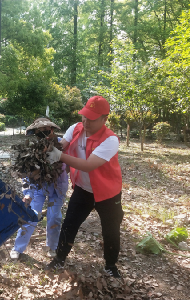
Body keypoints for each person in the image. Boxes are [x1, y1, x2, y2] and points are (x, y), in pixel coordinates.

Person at [45, 96, 124, 278]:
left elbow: (88, 165)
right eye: (85, 116)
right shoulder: (76, 129)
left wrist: (59, 156)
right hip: (83, 189)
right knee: (69, 224)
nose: (86, 121)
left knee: (111, 230)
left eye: (92, 118)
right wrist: (49, 144)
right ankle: (59, 259)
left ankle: (110, 266)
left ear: (104, 119)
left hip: (107, 193)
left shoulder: (110, 140)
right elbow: (61, 146)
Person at [10, 118, 69, 260]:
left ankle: (52, 247)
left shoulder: (62, 144)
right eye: (40, 132)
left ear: (52, 130)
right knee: (31, 214)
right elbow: (26, 173)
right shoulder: (31, 149)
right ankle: (18, 248)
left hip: (58, 187)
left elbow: (69, 165)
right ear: (35, 134)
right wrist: (28, 193)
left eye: (46, 130)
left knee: (54, 216)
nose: (44, 134)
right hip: (38, 187)